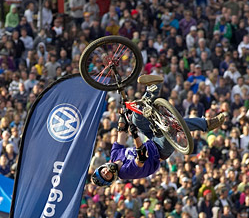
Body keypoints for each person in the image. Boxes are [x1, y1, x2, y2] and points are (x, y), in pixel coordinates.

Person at [92, 76, 227, 187]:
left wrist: (122, 114)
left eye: (102, 172)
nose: (106, 172)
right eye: (107, 176)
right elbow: (142, 157)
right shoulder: (126, 172)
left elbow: (121, 133)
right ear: (112, 179)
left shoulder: (114, 155)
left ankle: (154, 88)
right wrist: (134, 135)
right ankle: (206, 124)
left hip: (150, 140)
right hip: (159, 151)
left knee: (136, 117)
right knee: (171, 128)